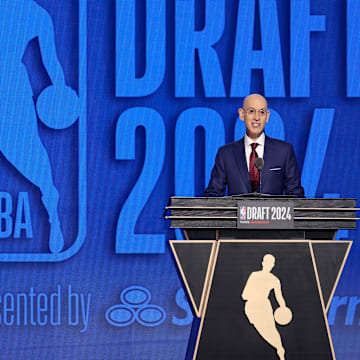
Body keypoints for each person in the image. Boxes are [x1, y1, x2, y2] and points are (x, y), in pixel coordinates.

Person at [1, 1, 75, 253]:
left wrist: (61, 92)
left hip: (10, 86)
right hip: (13, 84)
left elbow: (51, 63)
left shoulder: (36, 15)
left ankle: (53, 212)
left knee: (27, 153)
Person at [204, 94, 304, 196]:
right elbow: (213, 195)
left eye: (261, 112)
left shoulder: (284, 151)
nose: (257, 117)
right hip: (237, 212)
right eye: (251, 111)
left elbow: (295, 195)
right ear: (242, 114)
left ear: (267, 116)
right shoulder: (226, 154)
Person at [242, 254, 289, 360]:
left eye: (270, 263)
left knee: (270, 330)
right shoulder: (255, 275)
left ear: (272, 265)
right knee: (266, 331)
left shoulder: (274, 280)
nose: (269, 265)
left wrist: (284, 309)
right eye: (268, 263)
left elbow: (279, 298)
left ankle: (280, 349)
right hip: (253, 307)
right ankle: (279, 348)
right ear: (263, 263)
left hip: (263, 306)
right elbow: (244, 295)